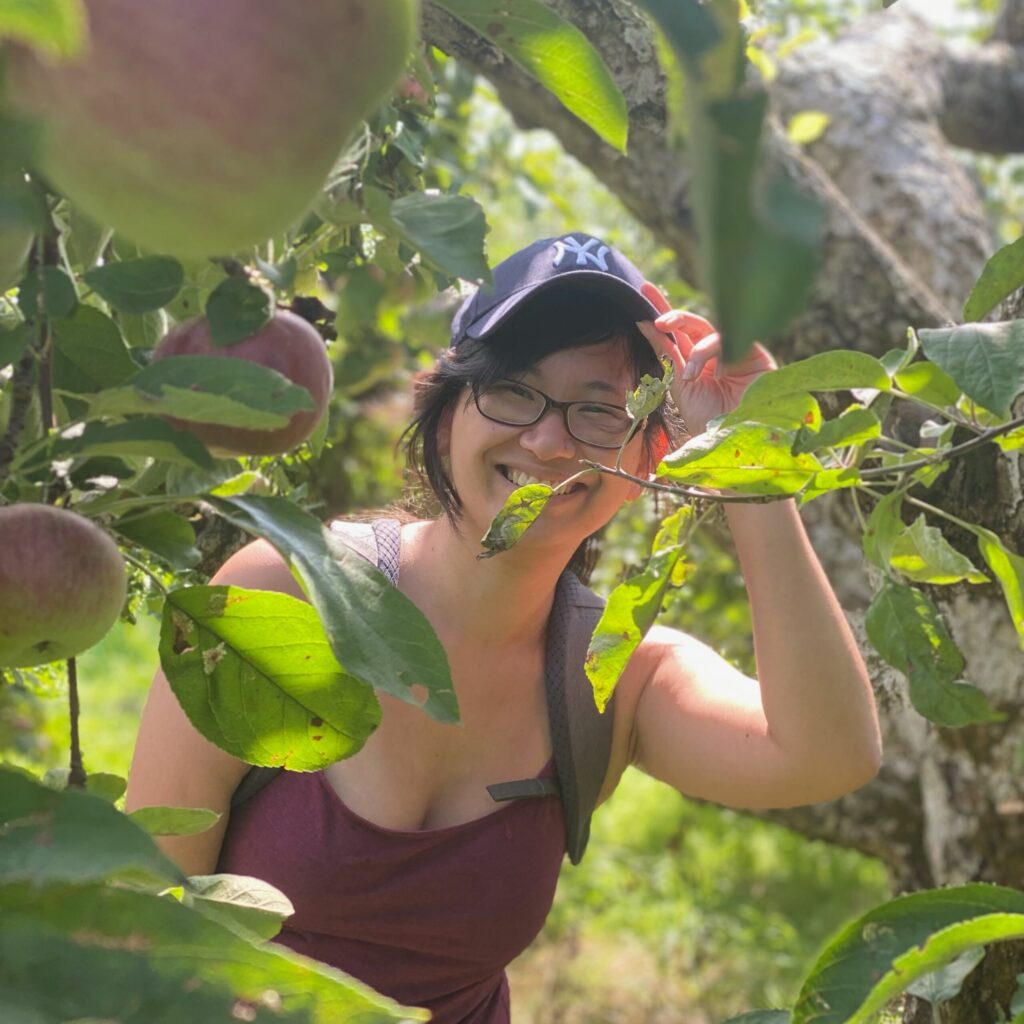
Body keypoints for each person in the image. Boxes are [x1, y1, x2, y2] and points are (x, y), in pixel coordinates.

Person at [126, 233, 882, 1024]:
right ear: (446, 410)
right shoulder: (290, 591)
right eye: (514, 390)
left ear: (647, 462)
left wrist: (748, 465)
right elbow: (145, 909)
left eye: (598, 410)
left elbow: (827, 756)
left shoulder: (614, 677)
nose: (549, 441)